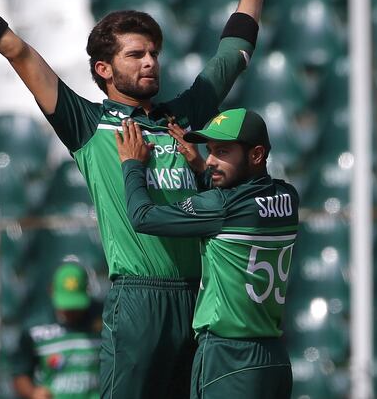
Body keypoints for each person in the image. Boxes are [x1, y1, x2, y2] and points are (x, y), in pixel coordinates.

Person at [0, 0, 278, 398]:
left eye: (154, 54)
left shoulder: (184, 116)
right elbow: (15, 49)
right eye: (136, 54)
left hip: (200, 299)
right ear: (104, 69)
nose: (150, 63)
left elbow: (235, 50)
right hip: (139, 300)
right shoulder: (86, 124)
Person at [115, 108, 299, 398]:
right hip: (274, 358)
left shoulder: (220, 206)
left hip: (229, 357)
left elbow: (142, 217)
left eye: (223, 151)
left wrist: (132, 165)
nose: (211, 160)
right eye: (209, 150)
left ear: (256, 154)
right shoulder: (288, 197)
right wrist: (200, 167)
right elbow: (243, 202)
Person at [11, 262, 102, 399]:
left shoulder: (105, 319)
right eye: (66, 306)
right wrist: (33, 393)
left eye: (76, 306)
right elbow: (20, 373)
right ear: (51, 291)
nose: (71, 312)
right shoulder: (34, 327)